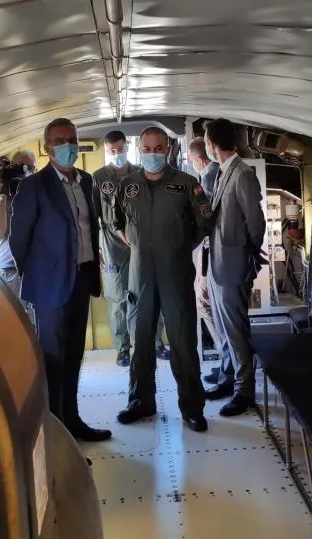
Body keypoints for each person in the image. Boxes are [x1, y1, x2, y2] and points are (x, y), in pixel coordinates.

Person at [9, 118, 111, 443]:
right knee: (53, 359)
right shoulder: (33, 187)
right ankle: (56, 439)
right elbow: (18, 240)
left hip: (81, 277)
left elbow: (89, 228)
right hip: (49, 285)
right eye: (60, 141)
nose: (67, 146)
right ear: (47, 147)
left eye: (72, 139)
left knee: (73, 356)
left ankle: (73, 421)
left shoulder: (86, 182)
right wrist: (37, 277)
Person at [113, 126, 213, 432]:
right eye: (147, 148)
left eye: (159, 148)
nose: (152, 154)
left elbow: (204, 223)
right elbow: (117, 222)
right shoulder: (127, 185)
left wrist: (178, 246)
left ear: (168, 149)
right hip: (140, 275)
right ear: (138, 149)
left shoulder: (187, 184)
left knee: (183, 341)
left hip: (175, 274)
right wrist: (141, 247)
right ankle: (140, 401)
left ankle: (192, 408)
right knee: (141, 341)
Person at [203, 118, 267, 417]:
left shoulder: (242, 174)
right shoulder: (221, 173)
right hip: (217, 264)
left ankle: (245, 390)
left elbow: (256, 224)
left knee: (236, 330)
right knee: (226, 329)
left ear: (211, 144)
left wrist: (247, 252)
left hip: (232, 264)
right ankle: (228, 378)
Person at [93, 130, 169, 368]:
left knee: (149, 293)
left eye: (121, 150)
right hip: (111, 244)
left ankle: (155, 342)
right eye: (112, 151)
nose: (118, 155)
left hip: (141, 241)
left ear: (128, 147)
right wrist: (96, 249)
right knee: (118, 298)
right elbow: (92, 215)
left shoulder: (141, 172)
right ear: (107, 151)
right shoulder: (98, 178)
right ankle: (123, 348)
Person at [186, 137, 222, 370]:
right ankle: (226, 357)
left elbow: (206, 218)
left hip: (210, 250)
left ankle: (225, 354)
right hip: (212, 251)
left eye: (192, 161)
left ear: (199, 159)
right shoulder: (218, 172)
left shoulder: (208, 177)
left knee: (204, 303)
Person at [0, 150, 37, 321]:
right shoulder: (3, 194)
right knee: (14, 321)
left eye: (30, 168)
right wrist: (2, 198)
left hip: (35, 268)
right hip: (9, 269)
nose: (26, 171)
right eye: (21, 167)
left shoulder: (40, 191)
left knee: (36, 322)